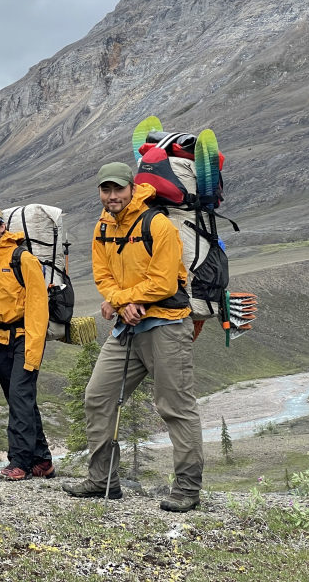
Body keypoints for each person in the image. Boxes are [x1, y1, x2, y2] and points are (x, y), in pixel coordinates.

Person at [63, 162, 203, 512]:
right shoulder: (102, 227)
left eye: (118, 189)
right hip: (128, 327)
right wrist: (118, 300)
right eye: (106, 190)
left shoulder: (158, 224)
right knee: (98, 396)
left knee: (175, 406)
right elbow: (103, 274)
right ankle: (102, 480)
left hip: (167, 324)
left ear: (131, 188)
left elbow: (165, 281)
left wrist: (124, 300)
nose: (112, 196)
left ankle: (187, 488)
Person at [0, 206, 55, 481]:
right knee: (20, 400)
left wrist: (32, 350)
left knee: (19, 398)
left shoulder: (23, 258)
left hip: (24, 338)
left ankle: (19, 462)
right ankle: (42, 460)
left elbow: (38, 308)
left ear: (2, 227)